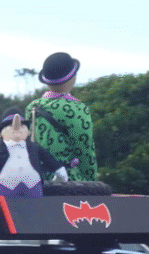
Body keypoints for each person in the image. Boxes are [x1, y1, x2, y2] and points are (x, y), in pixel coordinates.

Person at [25, 52, 97, 181]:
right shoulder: (77, 109)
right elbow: (85, 150)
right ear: (72, 78)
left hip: (36, 179)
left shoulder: (32, 107)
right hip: (67, 181)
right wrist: (91, 182)